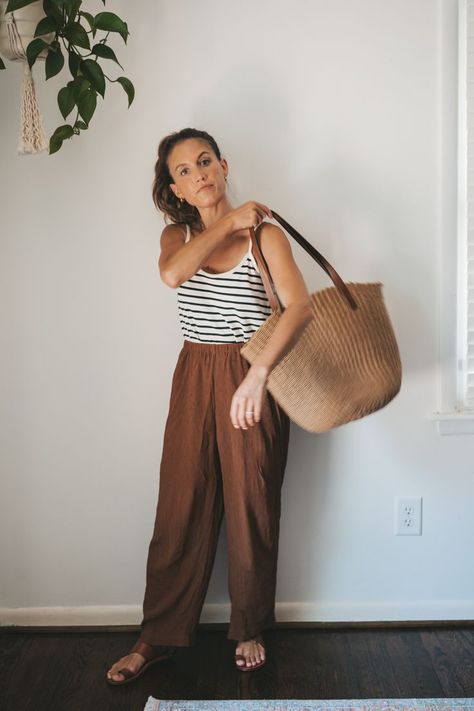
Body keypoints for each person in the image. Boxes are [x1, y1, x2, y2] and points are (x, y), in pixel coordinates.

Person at [106, 128, 313, 685]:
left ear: (223, 165)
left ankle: (248, 626)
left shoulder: (265, 237)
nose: (198, 173)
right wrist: (226, 219)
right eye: (183, 170)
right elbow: (173, 275)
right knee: (181, 502)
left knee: (252, 505)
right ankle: (157, 635)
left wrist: (259, 374)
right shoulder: (177, 236)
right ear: (175, 188)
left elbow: (300, 308)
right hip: (195, 373)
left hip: (253, 370)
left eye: (204, 161)